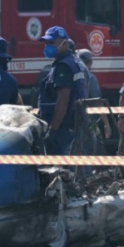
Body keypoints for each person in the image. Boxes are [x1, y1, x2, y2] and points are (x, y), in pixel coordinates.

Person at [38, 27, 86, 155]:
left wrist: (52, 131)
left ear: (64, 44)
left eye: (52, 43)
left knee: (60, 170)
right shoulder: (73, 62)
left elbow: (62, 101)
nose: (47, 46)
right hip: (71, 125)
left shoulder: (63, 66)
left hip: (62, 129)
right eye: (46, 43)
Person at [76, 48, 111, 140]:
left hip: (70, 120)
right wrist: (107, 124)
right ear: (90, 62)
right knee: (94, 143)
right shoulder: (91, 78)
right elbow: (98, 103)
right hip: (87, 120)